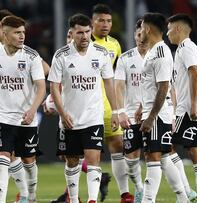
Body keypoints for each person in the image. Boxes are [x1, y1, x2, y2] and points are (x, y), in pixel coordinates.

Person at [48, 13, 119, 203]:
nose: (85, 36)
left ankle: (92, 200)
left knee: (93, 159)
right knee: (71, 162)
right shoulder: (61, 55)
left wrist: (115, 111)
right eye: (80, 33)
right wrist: (62, 114)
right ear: (71, 33)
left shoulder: (101, 54)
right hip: (69, 118)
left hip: (93, 117)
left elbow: (109, 84)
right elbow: (54, 86)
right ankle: (72, 198)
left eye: (87, 32)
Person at [0, 15, 46, 203]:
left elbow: (41, 86)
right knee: (3, 158)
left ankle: (29, 197)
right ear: (5, 35)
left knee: (29, 162)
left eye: (23, 32)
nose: (22, 36)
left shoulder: (31, 56)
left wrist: (32, 109)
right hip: (1, 117)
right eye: (17, 33)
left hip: (26, 118)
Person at [139, 13, 189, 202]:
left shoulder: (160, 52)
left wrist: (151, 117)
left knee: (152, 157)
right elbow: (151, 86)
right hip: (155, 112)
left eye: (142, 28)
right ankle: (183, 197)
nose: (140, 31)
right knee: (165, 157)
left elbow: (163, 87)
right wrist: (141, 109)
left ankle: (148, 200)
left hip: (158, 116)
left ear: (148, 29)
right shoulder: (153, 51)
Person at [167, 13, 197, 203]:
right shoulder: (193, 48)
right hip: (195, 106)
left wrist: (192, 105)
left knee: (165, 147)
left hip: (189, 109)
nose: (167, 33)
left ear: (177, 29)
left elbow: (194, 73)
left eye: (169, 29)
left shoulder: (185, 48)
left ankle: (185, 195)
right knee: (195, 152)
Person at [90, 4, 129, 202]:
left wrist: (118, 109)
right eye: (101, 20)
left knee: (118, 145)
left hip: (107, 105)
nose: (106, 24)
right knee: (74, 155)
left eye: (109, 21)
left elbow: (115, 79)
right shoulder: (81, 40)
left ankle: (125, 193)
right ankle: (74, 194)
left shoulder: (115, 44)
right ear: (92, 22)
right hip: (85, 107)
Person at [114, 18, 149, 203]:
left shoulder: (158, 56)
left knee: (158, 156)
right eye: (138, 34)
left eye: (144, 34)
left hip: (153, 114)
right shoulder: (126, 58)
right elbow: (118, 86)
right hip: (131, 116)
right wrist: (120, 111)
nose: (141, 38)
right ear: (134, 36)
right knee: (131, 160)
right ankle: (139, 188)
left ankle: (181, 193)